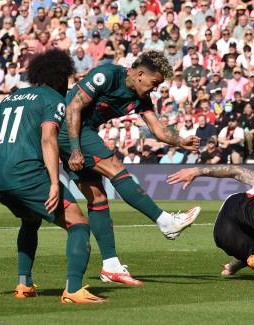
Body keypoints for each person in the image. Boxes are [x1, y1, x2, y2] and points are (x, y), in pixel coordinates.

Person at [0, 49, 104, 303]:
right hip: (27, 173)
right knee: (78, 224)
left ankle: (24, 284)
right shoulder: (53, 99)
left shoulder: (10, 99)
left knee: (30, 219)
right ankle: (73, 289)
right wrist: (53, 183)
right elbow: (48, 137)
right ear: (62, 77)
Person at [59, 52, 202, 285]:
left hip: (81, 133)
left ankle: (111, 266)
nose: (154, 90)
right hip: (70, 129)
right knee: (115, 167)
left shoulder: (141, 98)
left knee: (97, 197)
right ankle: (165, 222)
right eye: (154, 84)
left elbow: (158, 131)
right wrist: (75, 149)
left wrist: (180, 141)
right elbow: (73, 107)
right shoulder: (107, 75)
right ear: (140, 74)